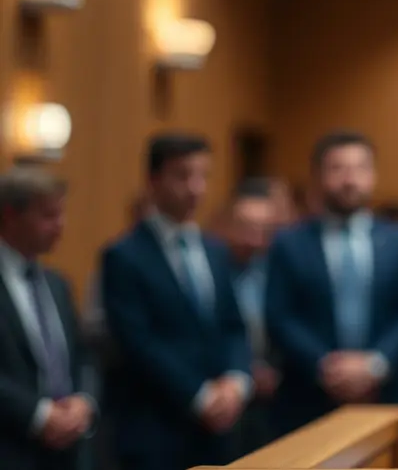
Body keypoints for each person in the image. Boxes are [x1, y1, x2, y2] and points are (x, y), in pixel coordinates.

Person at [102, 134, 252, 470]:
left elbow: (233, 325)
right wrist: (200, 396)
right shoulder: (124, 256)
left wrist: (236, 381)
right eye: (183, 176)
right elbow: (138, 342)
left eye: (203, 176)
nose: (196, 188)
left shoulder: (216, 250)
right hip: (157, 428)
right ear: (153, 180)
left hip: (220, 428)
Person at [265, 132, 398, 434]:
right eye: (337, 169)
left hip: (386, 396)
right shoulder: (289, 243)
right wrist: (326, 366)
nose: (350, 180)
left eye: (360, 168)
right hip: (307, 400)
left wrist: (375, 364)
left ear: (373, 175)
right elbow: (279, 316)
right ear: (318, 177)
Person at [0, 168, 96, 470]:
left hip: (70, 451)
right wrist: (38, 415)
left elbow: (83, 355)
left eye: (61, 214)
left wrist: (84, 400)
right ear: (10, 215)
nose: (60, 225)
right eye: (48, 215)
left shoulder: (57, 284)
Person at [217, 179, 280, 456]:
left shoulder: (274, 270)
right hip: (221, 395)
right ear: (226, 223)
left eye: (264, 230)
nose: (254, 240)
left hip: (271, 400)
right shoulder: (211, 269)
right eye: (245, 228)